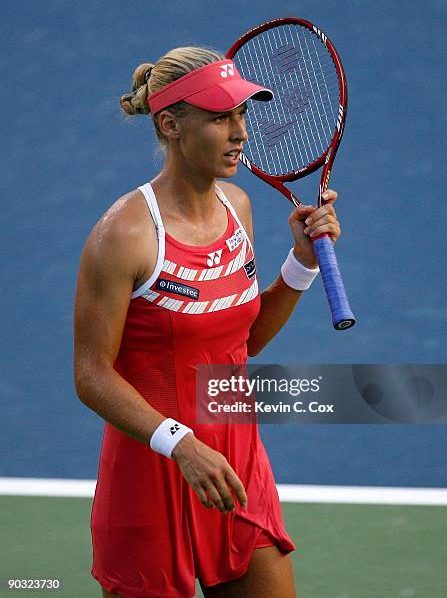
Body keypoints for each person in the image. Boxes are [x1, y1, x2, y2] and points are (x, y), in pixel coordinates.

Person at [73, 46, 341, 598]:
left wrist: (301, 263)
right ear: (170, 124)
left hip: (236, 466)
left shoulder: (237, 207)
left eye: (241, 115)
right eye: (220, 117)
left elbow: (240, 344)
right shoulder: (124, 236)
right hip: (152, 477)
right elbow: (91, 374)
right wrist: (181, 444)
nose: (239, 132)